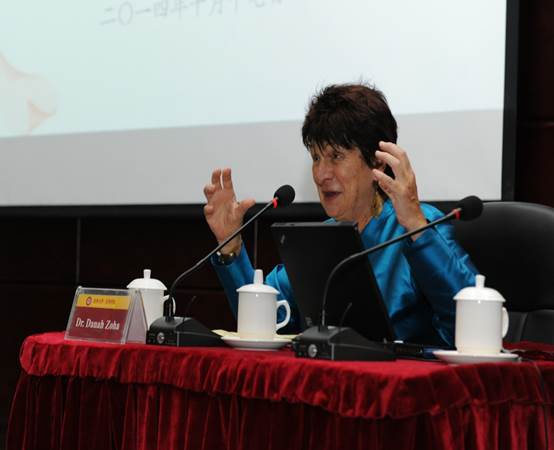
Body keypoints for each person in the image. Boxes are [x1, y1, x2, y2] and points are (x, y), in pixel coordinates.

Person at [203, 83, 477, 346]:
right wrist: (230, 246)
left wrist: (416, 225)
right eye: (316, 158)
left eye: (336, 156)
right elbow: (265, 321)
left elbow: (470, 325)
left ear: (377, 159)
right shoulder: (322, 239)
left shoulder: (421, 226)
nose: (321, 174)